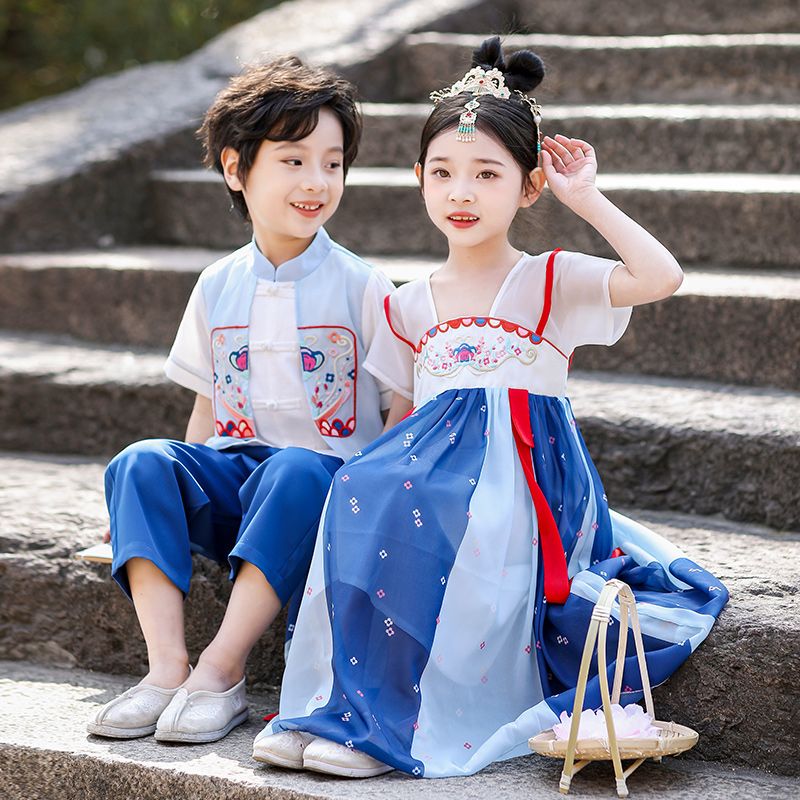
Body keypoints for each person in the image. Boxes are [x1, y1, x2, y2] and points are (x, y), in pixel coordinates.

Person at [251, 37, 729, 778]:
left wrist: (586, 196)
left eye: (486, 174)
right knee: (365, 488)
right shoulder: (406, 304)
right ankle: (338, 705)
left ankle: (392, 728)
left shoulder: (552, 280)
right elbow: (403, 420)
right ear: (418, 180)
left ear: (528, 187)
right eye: (441, 173)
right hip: (429, 475)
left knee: (420, 496)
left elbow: (660, 276)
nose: (461, 193)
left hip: (527, 484)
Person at [86, 55, 394, 744]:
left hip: (323, 496)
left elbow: (401, 411)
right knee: (138, 464)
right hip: (237, 486)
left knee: (294, 467)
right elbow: (207, 409)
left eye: (333, 162)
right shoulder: (215, 285)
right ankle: (166, 669)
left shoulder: (365, 287)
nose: (317, 181)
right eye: (293, 160)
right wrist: (151, 504)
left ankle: (220, 671)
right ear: (236, 168)